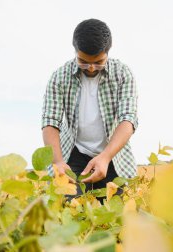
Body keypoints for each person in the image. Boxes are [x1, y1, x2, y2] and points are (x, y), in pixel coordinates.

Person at [41, 18, 138, 196]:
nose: (91, 68)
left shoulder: (123, 74)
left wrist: (105, 157)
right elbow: (50, 122)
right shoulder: (59, 77)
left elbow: (128, 119)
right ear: (75, 51)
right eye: (84, 61)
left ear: (108, 52)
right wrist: (58, 162)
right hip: (73, 155)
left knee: (120, 216)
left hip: (112, 155)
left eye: (99, 62)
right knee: (70, 207)